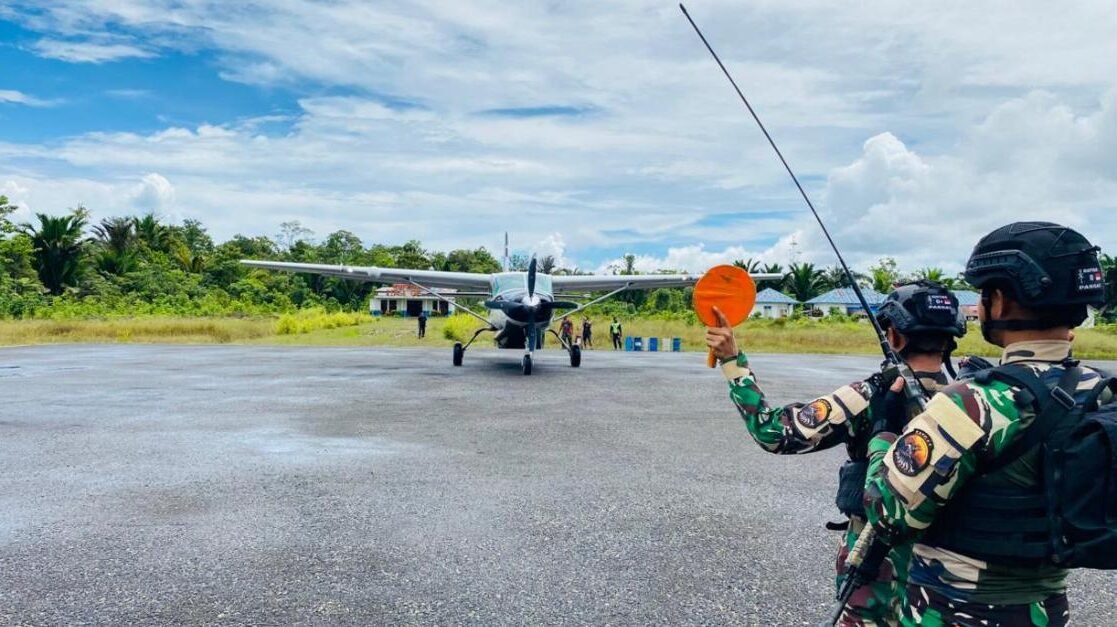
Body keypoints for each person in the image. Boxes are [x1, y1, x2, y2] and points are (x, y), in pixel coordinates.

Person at [863, 222, 1112, 626]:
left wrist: (883, 435)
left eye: (983, 295)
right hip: (1046, 612)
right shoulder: (1102, 391)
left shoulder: (972, 402)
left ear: (1000, 301)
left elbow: (888, 513)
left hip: (952, 611)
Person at [706, 281, 967, 627]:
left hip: (877, 569)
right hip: (950, 580)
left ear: (895, 338)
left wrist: (732, 364)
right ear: (949, 340)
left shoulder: (868, 395)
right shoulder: (977, 401)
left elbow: (774, 433)